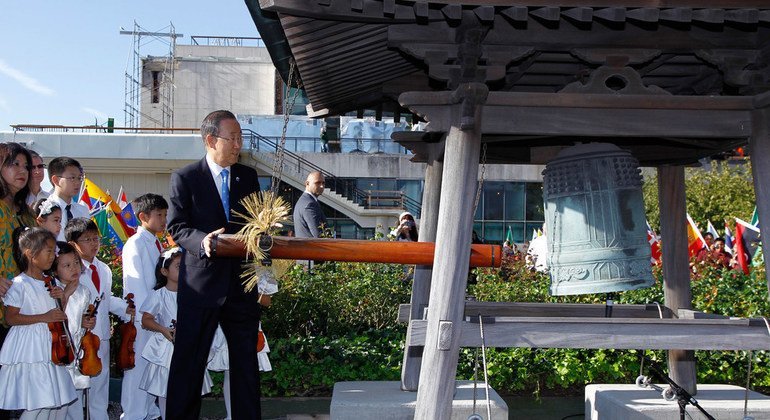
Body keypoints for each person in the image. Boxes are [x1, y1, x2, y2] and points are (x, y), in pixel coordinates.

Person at [166, 110, 263, 419]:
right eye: (232, 138)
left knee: (246, 365)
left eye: (240, 138)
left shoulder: (247, 177)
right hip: (200, 287)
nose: (238, 144)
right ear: (210, 140)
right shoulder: (186, 178)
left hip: (241, 287)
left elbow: (256, 222)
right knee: (188, 365)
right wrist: (202, 241)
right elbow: (177, 227)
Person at [0, 227, 77, 417]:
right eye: (48, 251)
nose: (53, 256)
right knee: (38, 402)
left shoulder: (51, 282)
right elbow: (11, 317)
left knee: (54, 401)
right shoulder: (19, 284)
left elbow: (58, 314)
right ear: (30, 254)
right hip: (31, 348)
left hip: (51, 346)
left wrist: (62, 298)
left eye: (54, 251)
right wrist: (44, 317)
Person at [66, 218, 132, 420]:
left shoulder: (104, 269)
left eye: (96, 239)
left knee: (100, 388)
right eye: (87, 239)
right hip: (77, 338)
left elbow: (105, 298)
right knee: (75, 388)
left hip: (100, 336)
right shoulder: (68, 269)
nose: (94, 244)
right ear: (73, 244)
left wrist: (126, 309)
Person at [139, 248, 212, 419]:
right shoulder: (159, 295)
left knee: (189, 386)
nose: (184, 270)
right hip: (166, 348)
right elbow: (146, 320)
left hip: (190, 344)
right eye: (179, 266)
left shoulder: (193, 293)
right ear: (164, 271)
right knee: (165, 388)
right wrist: (164, 329)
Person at [120, 194, 168, 420]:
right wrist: (146, 315)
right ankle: (132, 414)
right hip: (143, 316)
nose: (163, 220)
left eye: (165, 215)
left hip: (154, 315)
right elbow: (136, 283)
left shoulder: (155, 241)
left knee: (152, 365)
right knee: (138, 367)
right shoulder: (135, 243)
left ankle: (148, 411)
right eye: (159, 215)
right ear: (143, 217)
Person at [54, 240, 96, 420]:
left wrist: (87, 323)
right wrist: (67, 294)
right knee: (59, 402)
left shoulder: (85, 291)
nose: (74, 268)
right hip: (59, 349)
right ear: (55, 270)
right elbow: (55, 318)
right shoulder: (54, 290)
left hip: (78, 347)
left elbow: (82, 319)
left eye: (76, 263)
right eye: (67, 265)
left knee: (76, 401)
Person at [46, 157, 89, 241]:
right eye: (72, 178)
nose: (77, 183)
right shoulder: (46, 210)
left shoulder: (83, 210)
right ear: (56, 180)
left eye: (79, 178)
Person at [293, 171, 327, 238]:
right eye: (317, 183)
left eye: (323, 183)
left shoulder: (305, 200)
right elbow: (319, 235)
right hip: (312, 247)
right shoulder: (309, 204)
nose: (322, 186)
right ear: (307, 183)